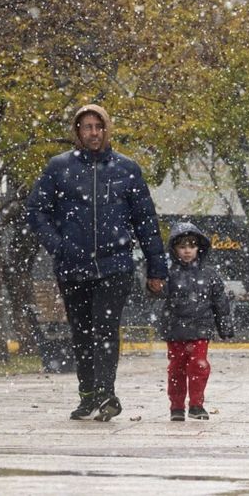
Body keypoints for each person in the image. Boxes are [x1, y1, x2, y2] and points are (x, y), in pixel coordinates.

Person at [25, 104, 168, 422]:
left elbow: (145, 222)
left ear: (107, 129)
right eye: (87, 126)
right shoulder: (59, 167)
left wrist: (156, 269)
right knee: (81, 332)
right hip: (73, 266)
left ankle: (106, 393)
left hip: (115, 265)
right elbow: (36, 211)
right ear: (77, 131)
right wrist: (58, 246)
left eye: (98, 126)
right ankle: (87, 394)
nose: (93, 132)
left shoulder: (127, 169)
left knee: (106, 329)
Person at [158, 222, 233, 422]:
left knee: (199, 367)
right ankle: (176, 406)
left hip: (200, 329)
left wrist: (224, 326)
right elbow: (157, 294)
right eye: (182, 247)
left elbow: (220, 302)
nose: (187, 251)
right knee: (176, 369)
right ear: (175, 249)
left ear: (199, 248)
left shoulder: (209, 274)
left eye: (191, 246)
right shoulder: (169, 274)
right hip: (176, 330)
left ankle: (196, 405)